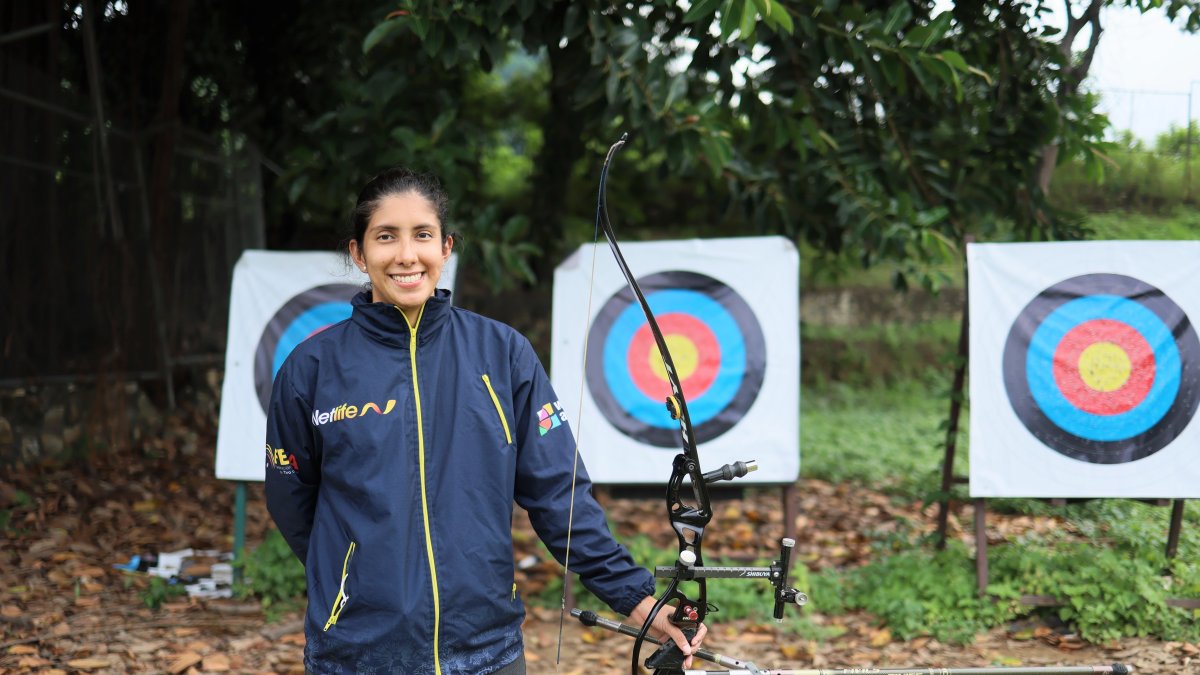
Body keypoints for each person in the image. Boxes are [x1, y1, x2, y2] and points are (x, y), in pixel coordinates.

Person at [264, 168, 706, 675]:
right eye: (386, 236)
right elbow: (292, 499)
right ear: (359, 254)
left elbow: (558, 494)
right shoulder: (311, 368)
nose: (407, 255)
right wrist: (349, 582)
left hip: (486, 652)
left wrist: (638, 600)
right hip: (355, 653)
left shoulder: (503, 353)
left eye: (423, 235)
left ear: (446, 247)